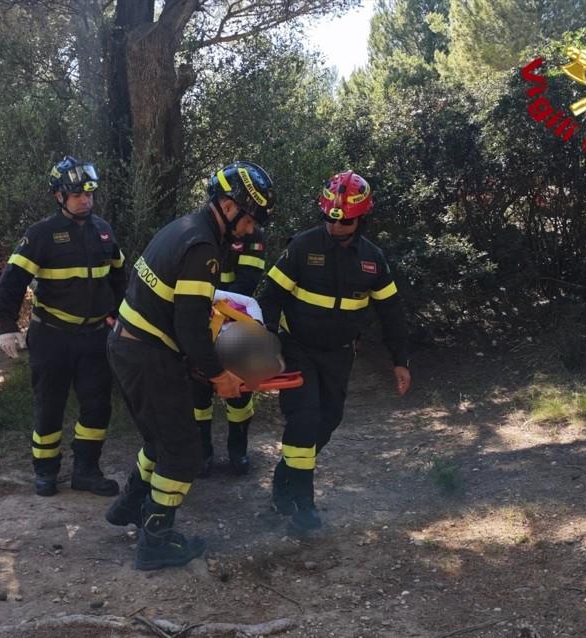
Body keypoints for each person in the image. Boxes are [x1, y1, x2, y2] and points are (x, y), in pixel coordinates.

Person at [104, 161, 276, 570]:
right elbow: (190, 325)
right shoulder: (203, 247)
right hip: (147, 356)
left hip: (130, 348)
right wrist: (220, 376)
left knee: (160, 439)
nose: (251, 229)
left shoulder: (184, 227)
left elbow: (183, 310)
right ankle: (156, 541)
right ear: (230, 207)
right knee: (182, 454)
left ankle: (129, 506)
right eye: (249, 218)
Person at [256, 170, 411, 535]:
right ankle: (302, 504)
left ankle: (284, 479)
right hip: (298, 349)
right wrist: (267, 341)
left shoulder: (373, 260)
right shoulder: (302, 247)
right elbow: (270, 297)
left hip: (340, 355)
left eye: (344, 222)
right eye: (329, 218)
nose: (335, 227)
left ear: (362, 219)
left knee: (328, 421)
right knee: (305, 418)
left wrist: (400, 361)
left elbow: (391, 313)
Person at [0, 156, 126, 497]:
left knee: (97, 406)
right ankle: (46, 471)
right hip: (51, 336)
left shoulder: (104, 230)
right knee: (49, 405)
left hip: (95, 337)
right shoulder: (41, 234)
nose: (86, 199)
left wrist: (120, 314)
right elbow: (12, 281)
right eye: (77, 193)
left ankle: (86, 470)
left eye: (90, 193)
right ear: (59, 196)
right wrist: (6, 325)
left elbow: (119, 278)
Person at [191, 228, 267, 477]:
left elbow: (248, 281)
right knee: (198, 390)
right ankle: (202, 452)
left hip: (236, 316)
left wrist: (221, 302)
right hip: (200, 315)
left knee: (239, 392)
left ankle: (238, 450)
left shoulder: (251, 235)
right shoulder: (199, 233)